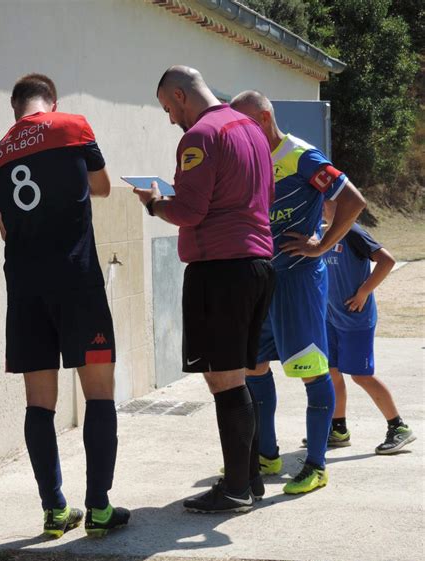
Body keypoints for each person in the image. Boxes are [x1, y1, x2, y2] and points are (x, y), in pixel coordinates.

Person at [0, 73, 129, 537]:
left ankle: (53, 511)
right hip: (77, 281)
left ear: (16, 110)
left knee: (38, 405)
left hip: (25, 289)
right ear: (52, 100)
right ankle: (100, 510)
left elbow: (5, 229)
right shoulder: (72, 126)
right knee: (99, 393)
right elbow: (103, 186)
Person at [134, 66, 276, 513]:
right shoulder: (251, 129)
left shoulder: (199, 137)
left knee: (223, 379)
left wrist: (155, 204)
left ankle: (235, 488)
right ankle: (248, 480)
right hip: (256, 264)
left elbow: (191, 210)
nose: (170, 118)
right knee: (240, 375)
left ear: (180, 95)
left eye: (168, 108)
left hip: (221, 269)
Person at [230, 90, 366, 494]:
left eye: (248, 123)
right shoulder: (250, 160)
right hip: (261, 281)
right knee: (255, 366)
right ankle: (267, 454)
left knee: (311, 370)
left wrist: (322, 245)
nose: (243, 133)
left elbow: (353, 200)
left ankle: (316, 465)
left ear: (267, 116)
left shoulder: (302, 156)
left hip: (299, 281)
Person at [322, 203, 416, 453]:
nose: (321, 205)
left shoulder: (352, 232)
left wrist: (364, 292)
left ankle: (399, 427)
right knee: (331, 371)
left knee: (360, 375)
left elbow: (387, 260)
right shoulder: (321, 233)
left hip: (355, 319)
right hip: (330, 317)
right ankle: (338, 429)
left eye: (327, 200)